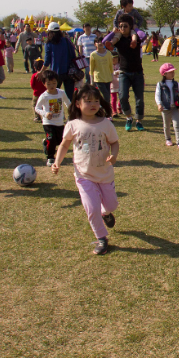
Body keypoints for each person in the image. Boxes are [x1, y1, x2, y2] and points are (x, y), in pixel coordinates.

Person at [51, 85, 120, 255]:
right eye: (88, 101)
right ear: (77, 104)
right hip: (83, 175)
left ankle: (107, 213)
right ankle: (102, 238)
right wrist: (57, 162)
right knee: (91, 208)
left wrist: (114, 155)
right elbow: (64, 144)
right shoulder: (73, 125)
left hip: (104, 174)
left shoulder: (106, 124)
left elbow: (114, 142)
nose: (93, 104)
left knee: (111, 204)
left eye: (96, 101)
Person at [112, 15, 146, 131]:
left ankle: (139, 121)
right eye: (120, 26)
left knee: (139, 100)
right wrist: (113, 32)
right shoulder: (118, 40)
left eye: (125, 26)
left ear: (130, 27)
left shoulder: (136, 38)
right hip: (124, 73)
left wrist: (134, 30)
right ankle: (128, 117)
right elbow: (104, 41)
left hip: (137, 73)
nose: (122, 28)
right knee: (122, 97)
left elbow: (143, 35)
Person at [35, 69, 70, 166]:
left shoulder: (61, 93)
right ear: (44, 84)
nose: (52, 86)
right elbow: (37, 108)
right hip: (48, 122)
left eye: (54, 83)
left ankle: (46, 144)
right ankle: (50, 157)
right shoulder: (44, 96)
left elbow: (68, 103)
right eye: (49, 83)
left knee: (59, 141)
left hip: (59, 122)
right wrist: (45, 114)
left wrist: (72, 112)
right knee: (51, 139)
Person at [43, 22, 78, 101]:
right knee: (70, 96)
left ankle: (56, 112)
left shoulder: (49, 43)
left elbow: (47, 60)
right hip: (69, 72)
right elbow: (73, 55)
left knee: (54, 95)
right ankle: (72, 112)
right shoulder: (66, 41)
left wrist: (41, 71)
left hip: (55, 73)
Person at [155, 62, 179, 149]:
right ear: (164, 74)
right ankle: (168, 139)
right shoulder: (160, 85)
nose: (173, 73)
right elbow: (157, 95)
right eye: (170, 72)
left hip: (175, 108)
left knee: (177, 125)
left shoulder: (176, 83)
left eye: (173, 71)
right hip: (165, 108)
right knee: (167, 125)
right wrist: (159, 104)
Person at [89, 36, 113, 102]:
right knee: (106, 96)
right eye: (98, 42)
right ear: (95, 44)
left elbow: (111, 66)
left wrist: (112, 76)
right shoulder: (93, 54)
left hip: (108, 78)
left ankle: (104, 109)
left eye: (101, 42)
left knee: (108, 95)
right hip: (98, 78)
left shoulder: (108, 53)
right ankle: (104, 109)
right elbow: (91, 68)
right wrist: (92, 81)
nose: (100, 43)